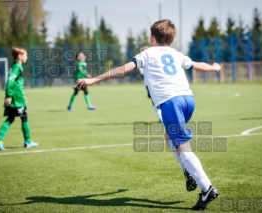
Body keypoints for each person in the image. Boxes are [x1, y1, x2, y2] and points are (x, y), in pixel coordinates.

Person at [77, 19, 220, 210]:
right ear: (171, 38)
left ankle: (207, 187)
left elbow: (122, 70)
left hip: (171, 103)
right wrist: (215, 67)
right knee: (169, 136)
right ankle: (188, 169)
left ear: (152, 37)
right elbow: (197, 65)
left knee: (182, 145)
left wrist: (94, 79)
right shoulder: (175, 53)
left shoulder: (147, 53)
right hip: (188, 100)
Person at [140, 45, 197, 192]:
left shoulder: (149, 59)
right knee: (168, 135)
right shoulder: (171, 55)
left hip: (168, 96)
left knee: (178, 139)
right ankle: (187, 169)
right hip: (183, 97)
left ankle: (203, 183)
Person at [0, 47, 38, 151]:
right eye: (25, 55)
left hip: (17, 96)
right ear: (20, 56)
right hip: (16, 99)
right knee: (24, 117)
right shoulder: (17, 67)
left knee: (11, 118)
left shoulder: (15, 66)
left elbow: (17, 84)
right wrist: (9, 96)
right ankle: (28, 141)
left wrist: (22, 96)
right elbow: (10, 82)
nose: (27, 57)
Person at [139, 46, 163, 123]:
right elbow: (142, 72)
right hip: (151, 85)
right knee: (156, 102)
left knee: (159, 102)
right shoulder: (142, 62)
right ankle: (161, 117)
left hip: (157, 84)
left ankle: (162, 117)